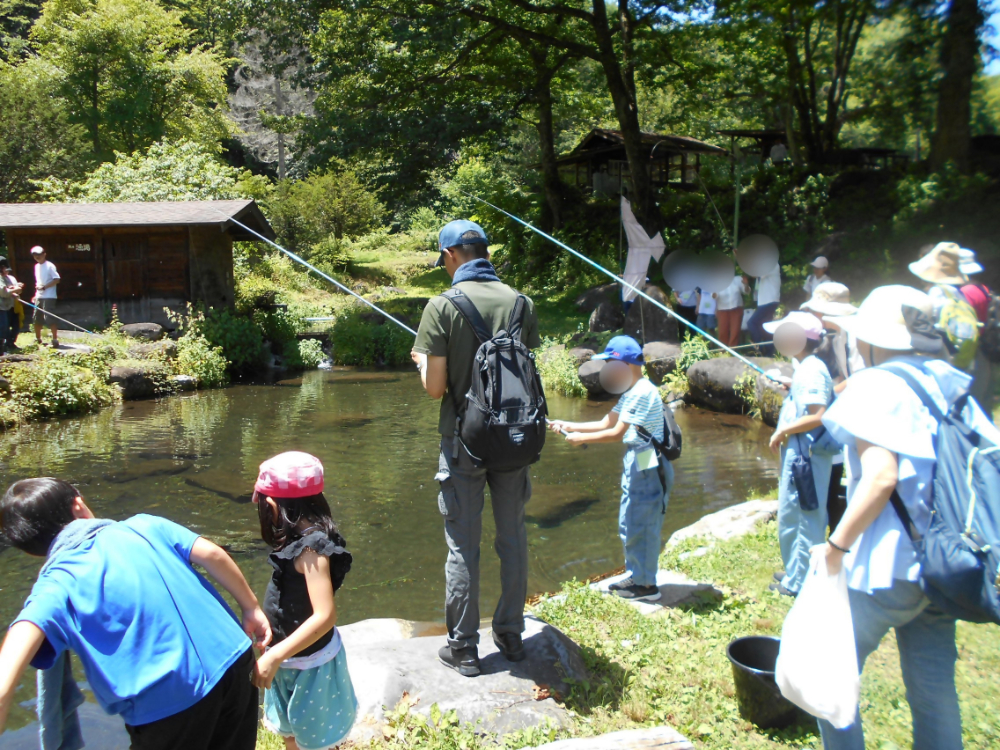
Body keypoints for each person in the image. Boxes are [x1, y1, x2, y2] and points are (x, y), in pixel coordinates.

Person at [816, 285, 1000, 749]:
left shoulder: (875, 384)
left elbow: (880, 478)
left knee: (827, 679)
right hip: (946, 561)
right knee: (934, 693)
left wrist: (835, 549)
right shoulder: (949, 381)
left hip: (889, 567)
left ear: (872, 340)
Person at [0, 478, 270, 748]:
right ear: (79, 505)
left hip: (169, 701)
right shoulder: (144, 525)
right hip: (232, 656)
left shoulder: (55, 585)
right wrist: (251, 608)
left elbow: (13, 657)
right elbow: (213, 554)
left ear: (30, 549)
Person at [411, 220, 540, 678]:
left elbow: (435, 388)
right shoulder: (521, 302)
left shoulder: (441, 306)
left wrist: (422, 360)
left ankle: (465, 649)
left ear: (450, 256)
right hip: (515, 439)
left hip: (464, 442)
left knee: (463, 546)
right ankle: (511, 634)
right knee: (513, 537)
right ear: (484, 251)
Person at [548, 336, 670, 602]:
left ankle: (647, 586)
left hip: (648, 462)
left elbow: (615, 433)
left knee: (643, 522)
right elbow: (606, 421)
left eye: (611, 363)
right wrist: (569, 424)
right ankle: (636, 573)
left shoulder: (642, 392)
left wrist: (581, 439)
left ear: (623, 364)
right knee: (629, 520)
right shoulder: (631, 391)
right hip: (637, 459)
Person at [252, 452, 357, 750]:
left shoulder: (311, 551)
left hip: (309, 666)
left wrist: (274, 656)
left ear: (271, 505)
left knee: (313, 738)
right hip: (289, 658)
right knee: (290, 731)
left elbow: (325, 615)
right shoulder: (298, 542)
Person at [764, 312, 837, 596]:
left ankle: (800, 581)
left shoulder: (812, 369)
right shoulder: (806, 367)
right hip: (800, 452)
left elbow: (819, 414)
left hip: (805, 455)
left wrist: (782, 431)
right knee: (793, 515)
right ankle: (796, 568)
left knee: (804, 515)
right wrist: (793, 389)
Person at [800, 281, 861, 533]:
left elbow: (861, 378)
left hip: (864, 416)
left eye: (816, 311)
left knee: (860, 477)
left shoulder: (857, 334)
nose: (814, 315)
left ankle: (849, 543)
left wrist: (827, 394)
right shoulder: (836, 335)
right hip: (849, 414)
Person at [956, 248, 995, 414]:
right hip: (984, 347)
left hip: (971, 350)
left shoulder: (965, 292)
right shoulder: (983, 289)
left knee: (971, 402)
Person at [30, 245, 60, 348]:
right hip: (39, 295)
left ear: (44, 254)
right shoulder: (36, 266)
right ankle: (38, 338)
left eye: (39, 254)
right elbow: (39, 282)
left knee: (49, 318)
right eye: (34, 255)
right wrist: (35, 294)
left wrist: (45, 287)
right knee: (36, 317)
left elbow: (57, 279)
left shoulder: (49, 266)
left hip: (49, 296)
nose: (37, 257)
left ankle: (55, 339)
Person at [748, 261, 781, 352]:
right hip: (766, 302)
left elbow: (754, 273)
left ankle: (759, 349)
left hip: (769, 301)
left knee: (752, 323)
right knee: (764, 327)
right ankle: (769, 352)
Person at [715, 274, 748, 348]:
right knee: (722, 332)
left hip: (736, 308)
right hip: (722, 309)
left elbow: (746, 292)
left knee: (735, 331)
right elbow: (713, 296)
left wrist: (745, 284)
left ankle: (732, 351)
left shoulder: (738, 279)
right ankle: (722, 351)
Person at [0, 257, 24, 354]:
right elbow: (3, 292)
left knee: (14, 325)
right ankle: (2, 349)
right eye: (5, 268)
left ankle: (9, 344)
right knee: (3, 327)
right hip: (1, 307)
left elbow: (12, 291)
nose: (7, 271)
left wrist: (14, 291)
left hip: (9, 306)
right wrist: (14, 289)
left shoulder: (7, 278)